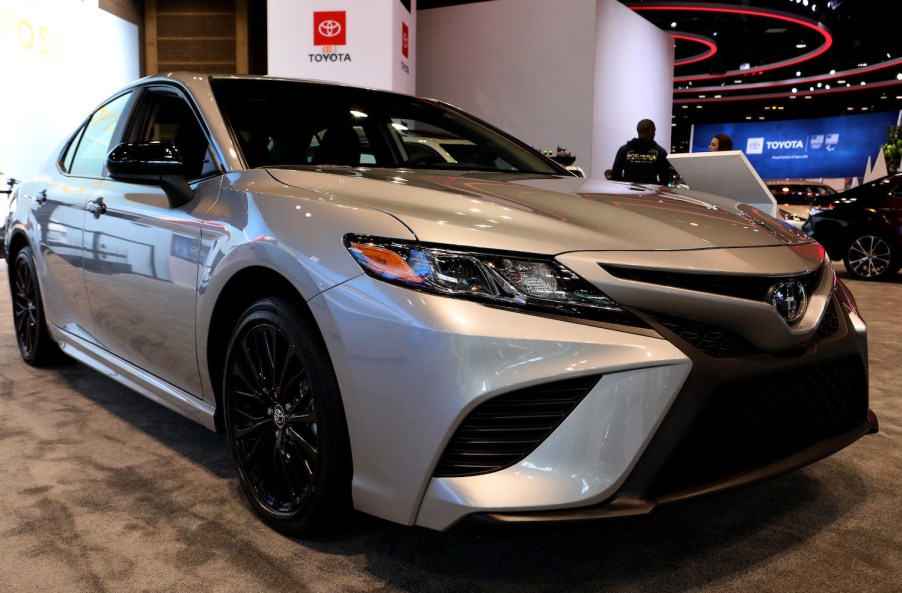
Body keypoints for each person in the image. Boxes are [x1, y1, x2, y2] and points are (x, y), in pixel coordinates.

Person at [610, 119, 670, 184]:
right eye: (654, 130)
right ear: (651, 131)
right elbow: (665, 178)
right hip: (651, 190)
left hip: (628, 189)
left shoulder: (624, 150)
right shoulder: (660, 152)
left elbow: (615, 175)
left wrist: (625, 185)